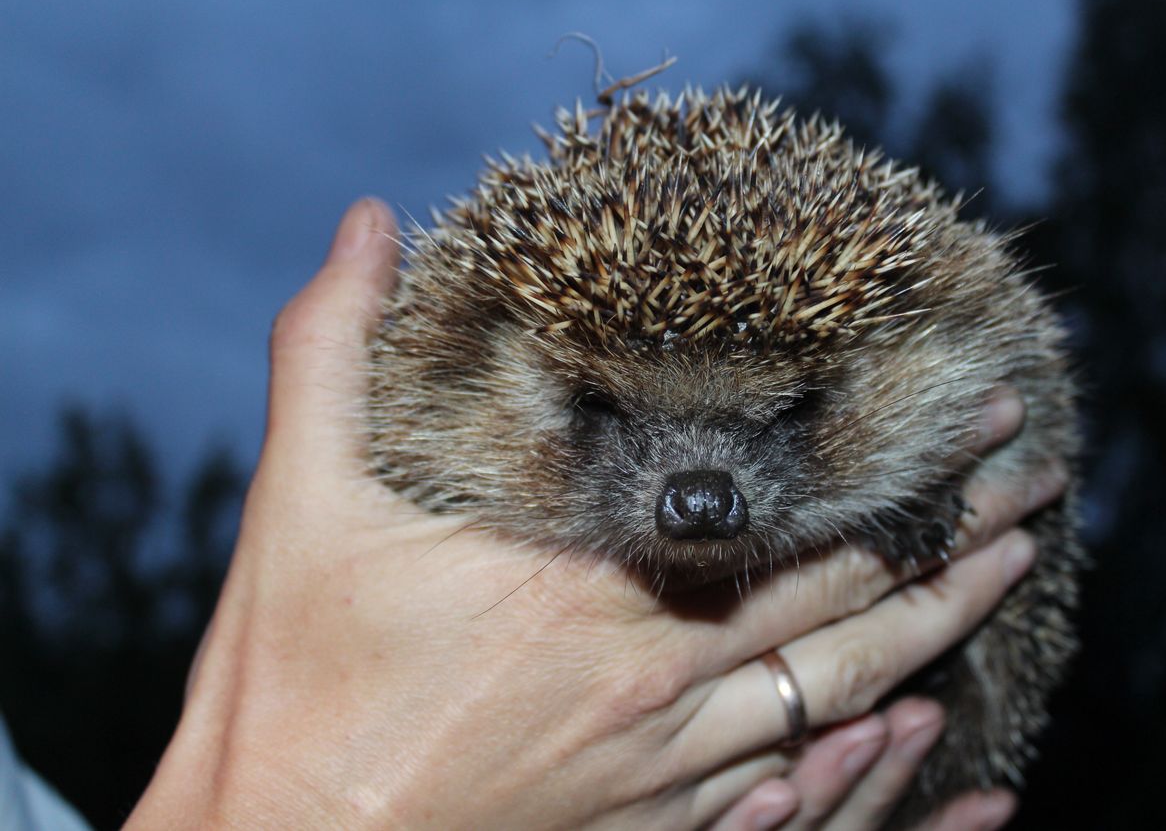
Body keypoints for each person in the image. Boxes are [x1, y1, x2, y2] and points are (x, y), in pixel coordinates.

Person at [114, 199, 1064, 830]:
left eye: (787, 413)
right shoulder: (449, 396)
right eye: (603, 410)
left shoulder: (934, 362)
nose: (699, 494)